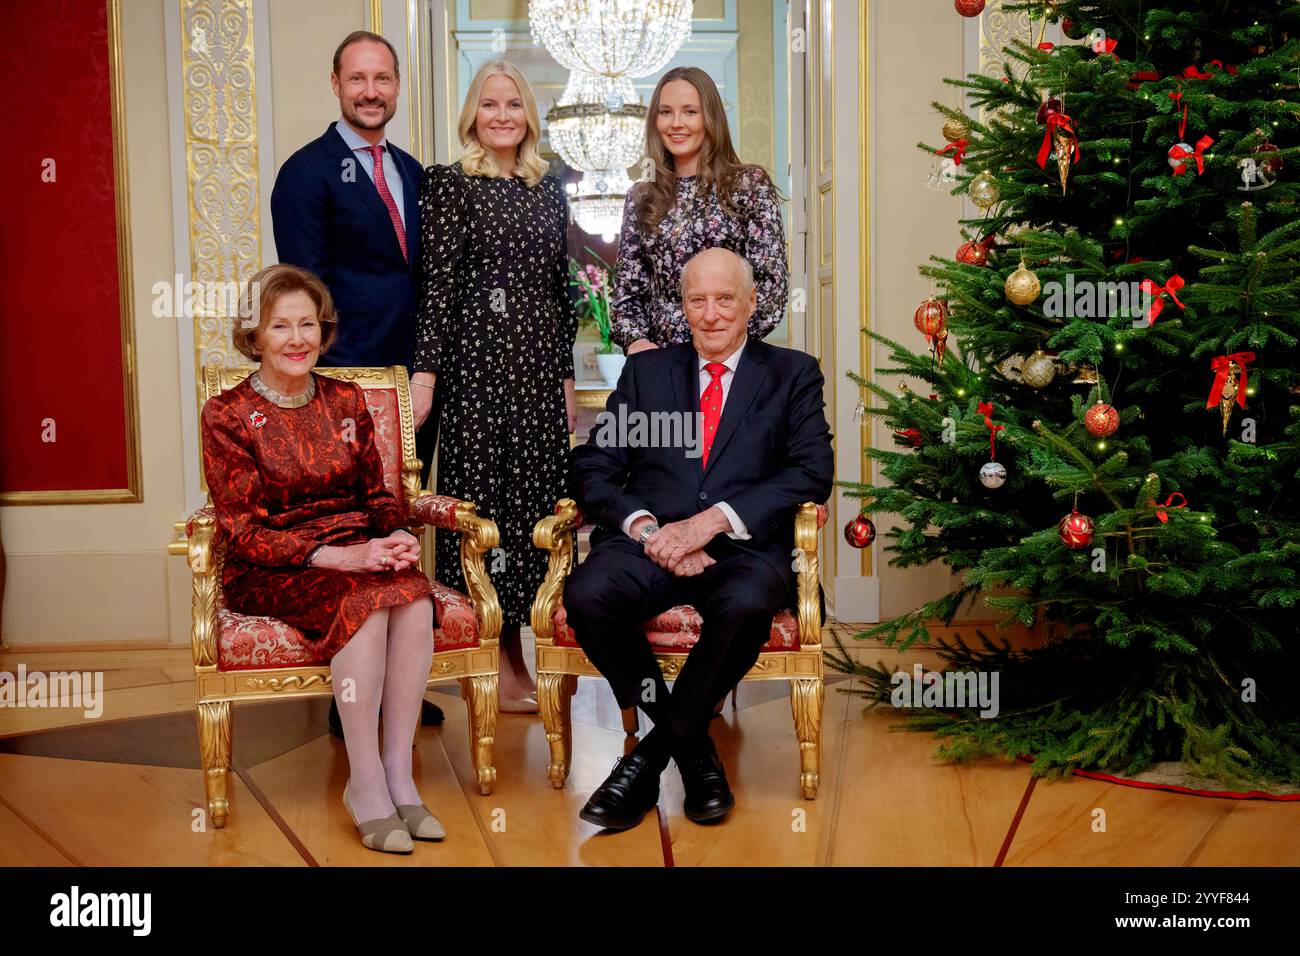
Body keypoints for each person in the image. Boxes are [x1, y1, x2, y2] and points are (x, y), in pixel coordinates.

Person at [564, 248, 834, 830]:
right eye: (697, 300)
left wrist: (712, 523)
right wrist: (647, 528)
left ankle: (651, 757)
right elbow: (593, 465)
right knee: (588, 595)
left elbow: (812, 471)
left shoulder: (792, 373)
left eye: (724, 299)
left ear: (752, 303)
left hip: (741, 550)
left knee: (746, 605)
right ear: (682, 306)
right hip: (653, 545)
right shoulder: (647, 372)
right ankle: (694, 751)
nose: (711, 314)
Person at [200, 264, 444, 854]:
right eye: (279, 326)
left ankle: (398, 776)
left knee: (412, 598)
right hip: (275, 565)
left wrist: (395, 537)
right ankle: (363, 784)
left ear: (324, 328)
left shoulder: (345, 399)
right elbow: (241, 530)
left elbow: (380, 494)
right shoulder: (228, 414)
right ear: (254, 335)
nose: (296, 339)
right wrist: (341, 558)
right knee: (365, 600)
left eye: (307, 323)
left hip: (359, 550)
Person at [270, 30, 442, 730]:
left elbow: (428, 278)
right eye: (358, 78)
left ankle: (396, 683)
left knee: (399, 521)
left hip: (415, 384)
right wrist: (337, 386)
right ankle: (353, 701)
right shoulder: (306, 173)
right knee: (349, 529)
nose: (372, 91)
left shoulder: (414, 171)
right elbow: (306, 294)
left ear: (397, 86)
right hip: (345, 385)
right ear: (336, 83)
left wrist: (423, 372)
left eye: (384, 79)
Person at [415, 60, 577, 712]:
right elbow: (438, 289)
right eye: (490, 104)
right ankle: (489, 657)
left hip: (537, 376)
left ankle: (522, 653)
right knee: (485, 516)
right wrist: (425, 376)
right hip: (476, 375)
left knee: (531, 514)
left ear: (529, 115)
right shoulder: (449, 186)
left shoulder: (548, 189)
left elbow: (559, 294)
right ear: (473, 115)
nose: (503, 114)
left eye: (514, 103)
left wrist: (566, 375)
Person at [610, 66, 789, 353]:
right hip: (660, 363)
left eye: (690, 112)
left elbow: (772, 286)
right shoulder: (641, 196)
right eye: (665, 112)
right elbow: (626, 295)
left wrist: (722, 340)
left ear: (710, 117)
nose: (676, 123)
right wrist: (637, 342)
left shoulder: (748, 185)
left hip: (731, 362)